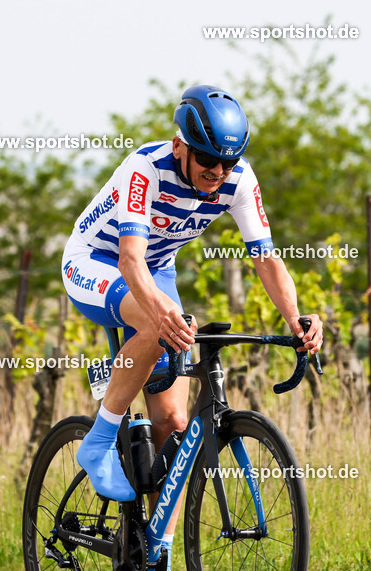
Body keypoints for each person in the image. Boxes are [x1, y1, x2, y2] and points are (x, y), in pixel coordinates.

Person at [61, 85, 323, 562]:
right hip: (99, 262)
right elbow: (130, 258)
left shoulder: (238, 180)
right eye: (207, 159)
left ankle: (155, 548)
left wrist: (297, 318)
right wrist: (163, 315)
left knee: (176, 422)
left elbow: (266, 260)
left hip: (156, 269)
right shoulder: (146, 169)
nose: (218, 172)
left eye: (228, 162)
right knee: (161, 325)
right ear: (180, 145)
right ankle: (98, 442)